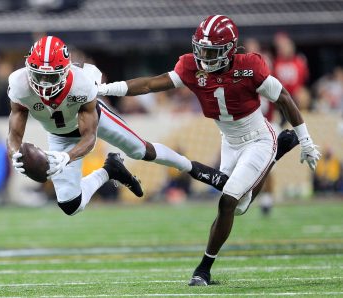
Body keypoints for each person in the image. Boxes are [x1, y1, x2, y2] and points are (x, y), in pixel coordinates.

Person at [98, 15, 321, 286]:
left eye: (212, 51)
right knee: (238, 207)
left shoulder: (249, 65)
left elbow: (283, 96)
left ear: (230, 49)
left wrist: (306, 139)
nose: (204, 57)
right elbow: (150, 84)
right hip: (229, 140)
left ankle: (203, 269)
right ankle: (277, 154)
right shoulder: (191, 67)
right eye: (201, 49)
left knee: (228, 201)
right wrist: (107, 89)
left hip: (259, 138)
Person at [7, 36, 227, 216]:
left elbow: (89, 138)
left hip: (93, 122)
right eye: (39, 76)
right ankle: (110, 170)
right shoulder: (19, 83)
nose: (44, 85)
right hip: (58, 135)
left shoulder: (82, 84)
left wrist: (67, 157)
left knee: (141, 149)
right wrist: (15, 154)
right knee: (70, 206)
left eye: (51, 77)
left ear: (65, 71)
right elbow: (14, 132)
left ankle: (194, 168)